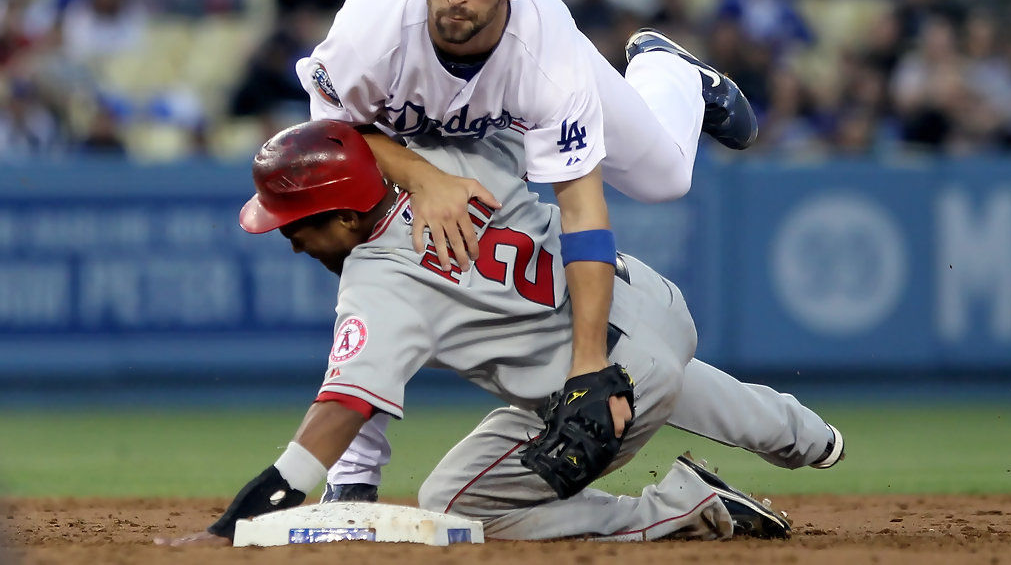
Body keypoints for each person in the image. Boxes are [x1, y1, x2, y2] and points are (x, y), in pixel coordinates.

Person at [157, 120, 839, 546]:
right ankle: (800, 432)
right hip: (645, 299)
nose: (293, 244)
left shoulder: (378, 280)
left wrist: (237, 521)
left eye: (294, 226)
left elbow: (341, 412)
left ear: (342, 217)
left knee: (452, 505)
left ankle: (679, 508)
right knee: (629, 361)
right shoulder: (447, 161)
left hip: (604, 389)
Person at [294, 0, 758, 492]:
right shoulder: (370, 28)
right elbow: (333, 140)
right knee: (373, 263)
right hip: (404, 149)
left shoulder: (547, 49)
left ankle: (666, 70)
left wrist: (589, 362)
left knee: (666, 178)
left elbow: (581, 207)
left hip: (512, 109)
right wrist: (424, 177)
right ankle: (352, 476)